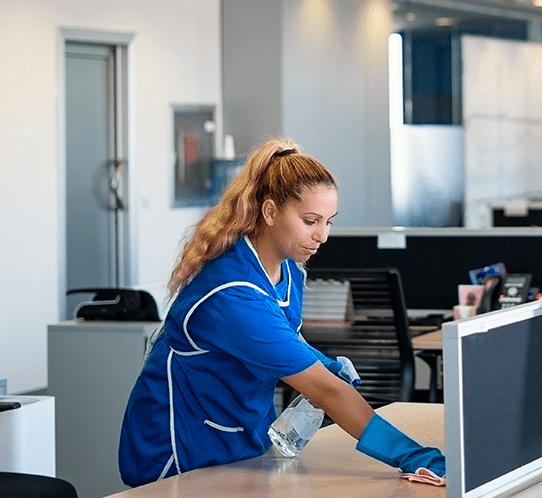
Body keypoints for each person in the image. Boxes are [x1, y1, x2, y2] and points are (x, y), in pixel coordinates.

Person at [118, 138, 445, 487]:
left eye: (328, 221)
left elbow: (282, 337)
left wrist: (318, 360)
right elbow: (325, 391)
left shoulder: (286, 270)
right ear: (270, 212)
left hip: (241, 439)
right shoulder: (234, 296)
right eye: (310, 221)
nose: (322, 235)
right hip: (181, 450)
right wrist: (411, 454)